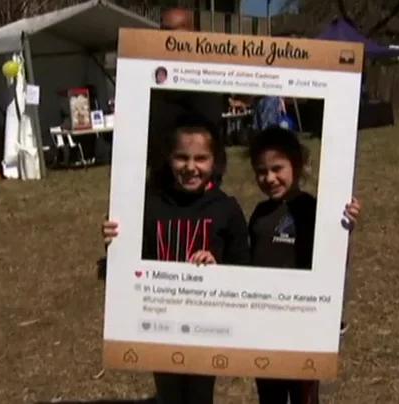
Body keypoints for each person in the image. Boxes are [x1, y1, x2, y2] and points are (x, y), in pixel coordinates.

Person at [101, 112, 250, 404]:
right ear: (169, 159)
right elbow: (130, 259)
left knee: (199, 394)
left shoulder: (226, 209)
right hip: (160, 321)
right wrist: (114, 240)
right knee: (168, 393)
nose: (191, 167)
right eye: (182, 157)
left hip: (207, 324)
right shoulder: (148, 205)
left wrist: (218, 267)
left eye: (201, 158)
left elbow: (243, 265)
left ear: (215, 161)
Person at [247, 126, 361, 404]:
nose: (270, 178)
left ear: (296, 166)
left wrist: (346, 224)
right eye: (262, 171)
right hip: (265, 325)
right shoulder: (259, 214)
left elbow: (335, 258)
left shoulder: (313, 209)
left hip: (304, 323)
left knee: (304, 395)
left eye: (277, 168)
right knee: (269, 394)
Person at [149, 8, 227, 186]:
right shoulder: (154, 70)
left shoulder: (207, 74)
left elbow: (213, 132)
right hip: (161, 175)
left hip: (200, 178)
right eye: (162, 31)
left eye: (172, 31)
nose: (166, 37)